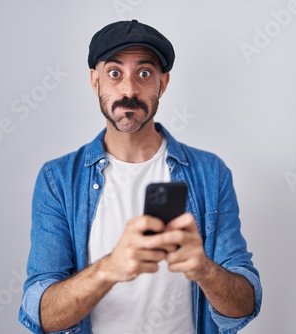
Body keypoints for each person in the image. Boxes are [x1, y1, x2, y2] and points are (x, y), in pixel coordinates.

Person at [18, 19, 262, 334]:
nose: (129, 90)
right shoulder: (59, 180)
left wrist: (204, 269)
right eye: (115, 73)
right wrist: (109, 268)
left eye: (144, 74)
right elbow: (43, 316)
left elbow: (244, 305)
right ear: (96, 82)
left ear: (163, 83)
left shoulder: (211, 173)